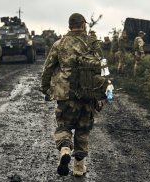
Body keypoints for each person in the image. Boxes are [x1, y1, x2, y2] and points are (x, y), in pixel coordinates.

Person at [40, 13, 105, 177]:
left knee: (64, 126)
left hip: (65, 94)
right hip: (88, 94)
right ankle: (78, 167)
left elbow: (47, 68)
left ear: (69, 26)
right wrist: (103, 95)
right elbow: (104, 69)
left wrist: (45, 88)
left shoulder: (59, 43)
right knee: (83, 130)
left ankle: (65, 149)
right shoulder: (93, 44)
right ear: (83, 25)